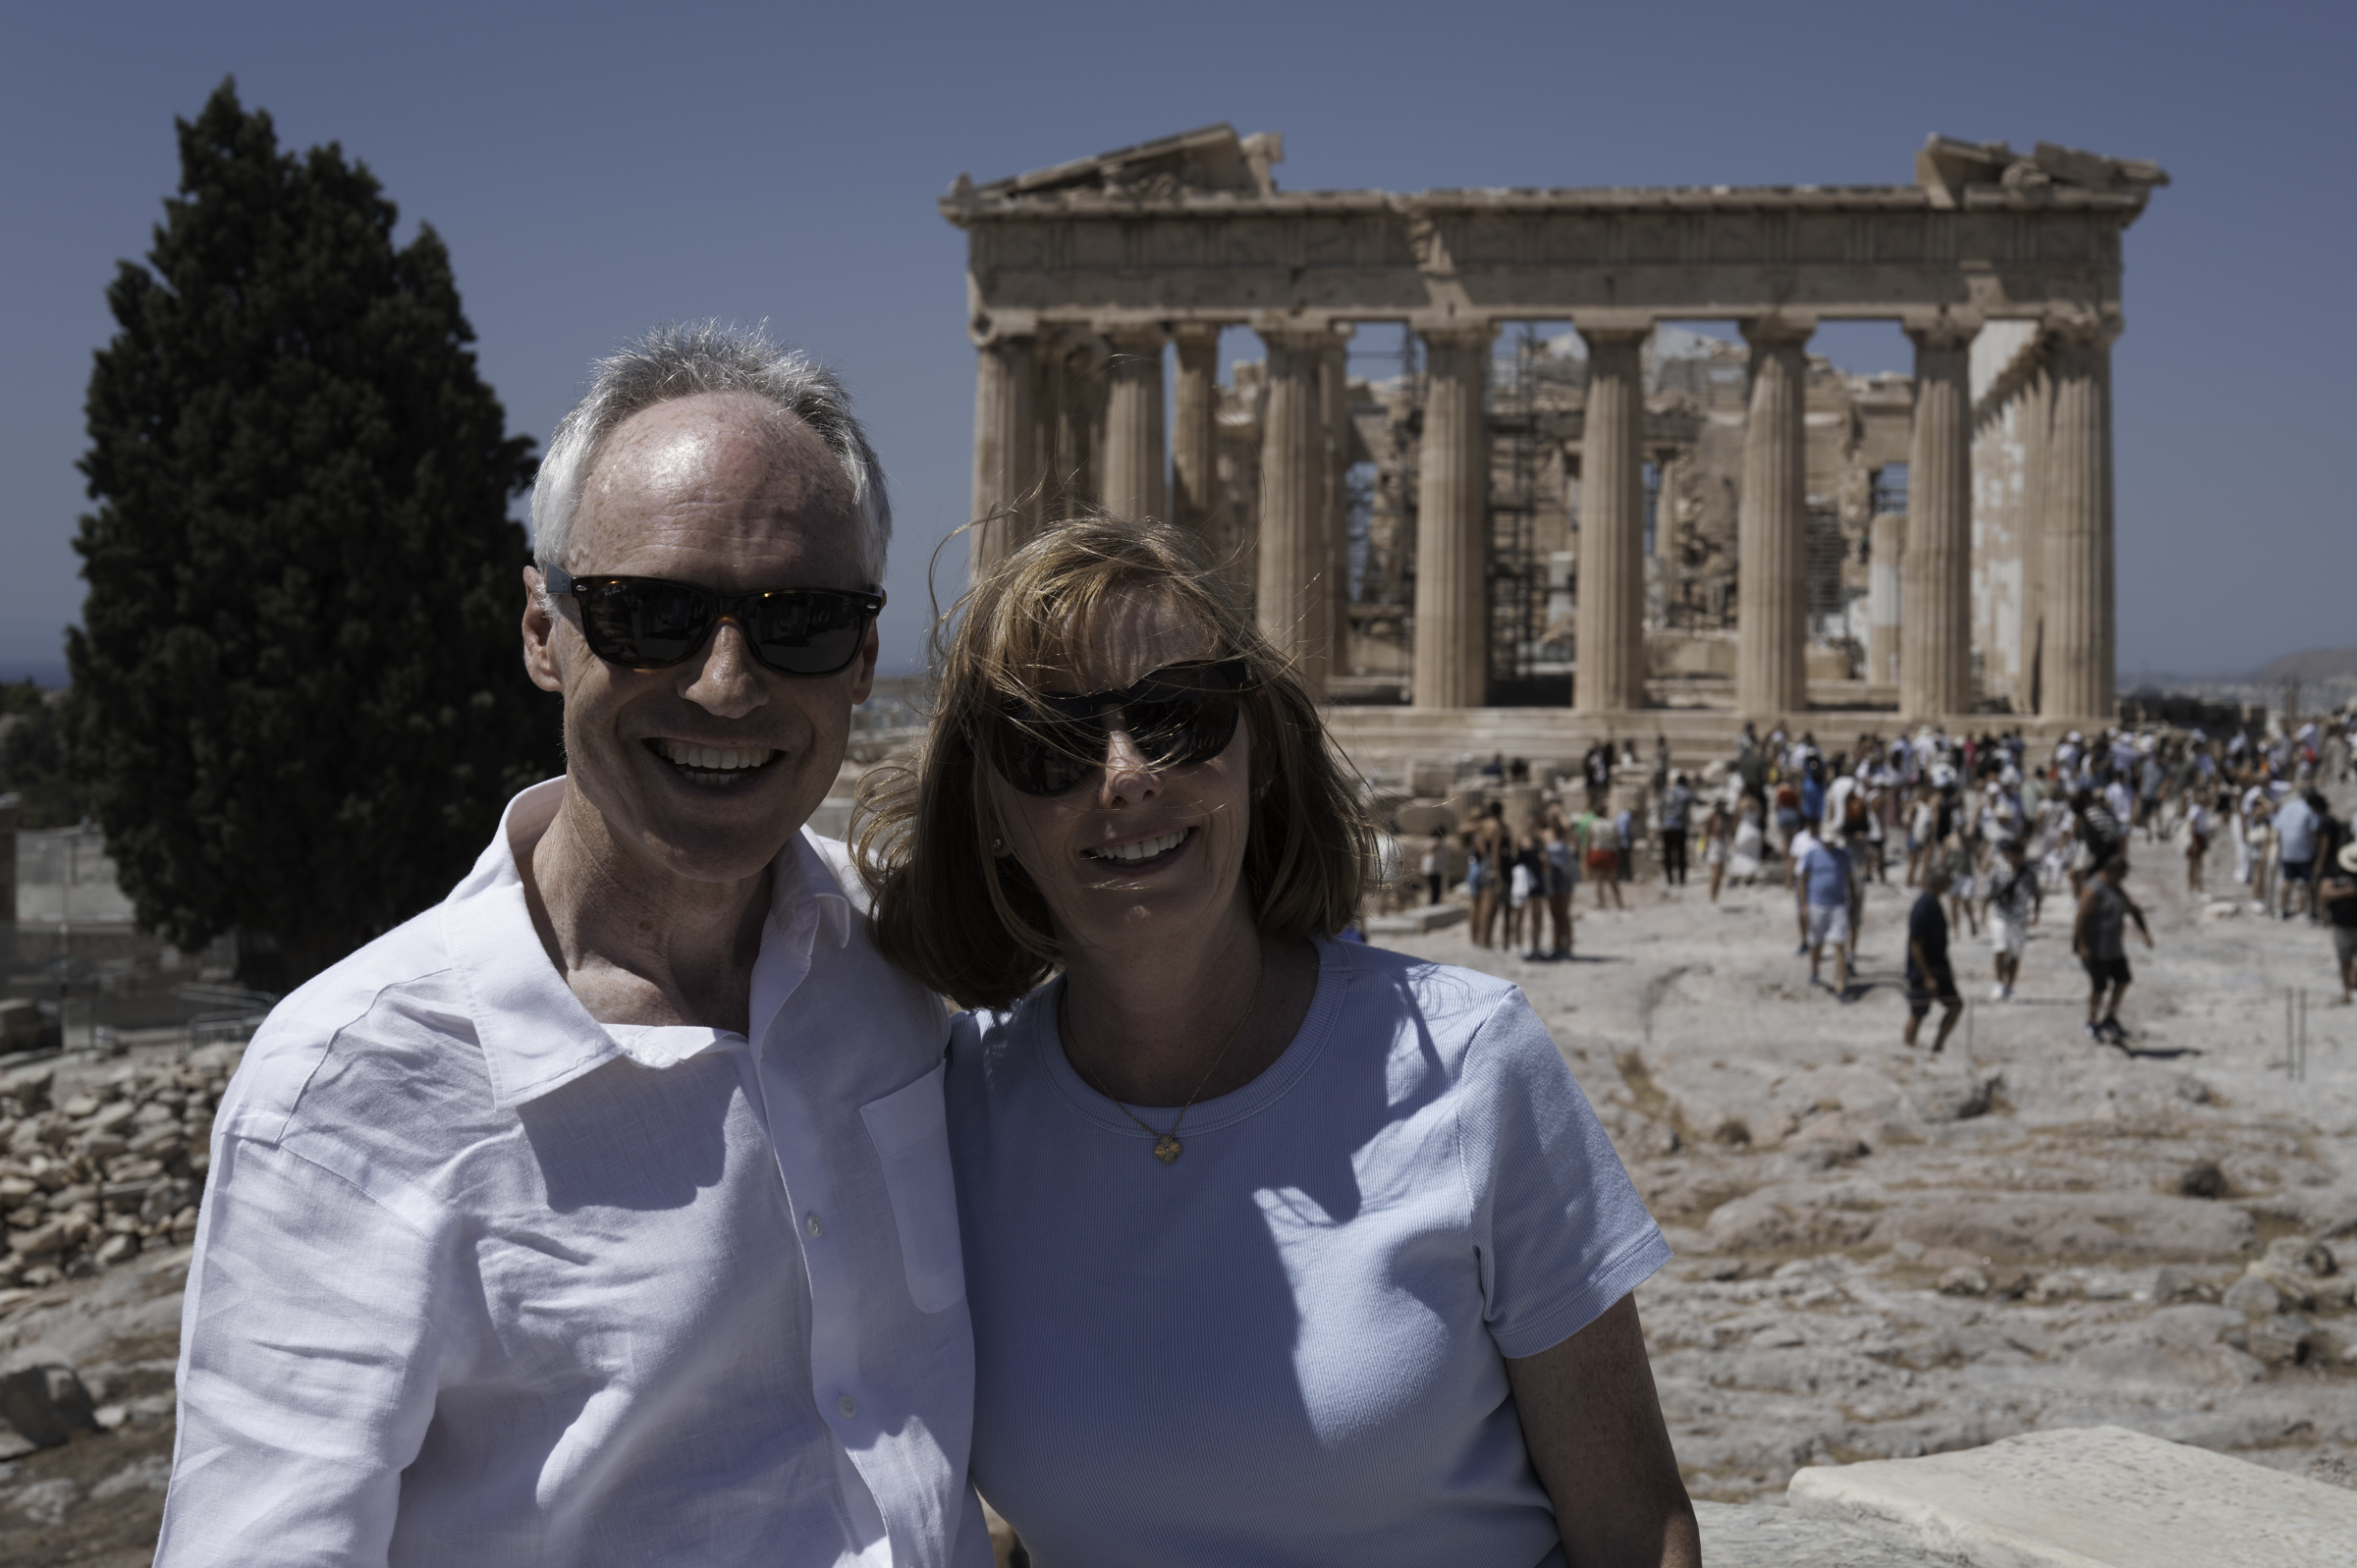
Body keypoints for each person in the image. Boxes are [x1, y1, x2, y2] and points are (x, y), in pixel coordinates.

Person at [156, 326, 990, 1564]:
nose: (724, 684)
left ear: (866, 657)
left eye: (798, 623)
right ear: (543, 628)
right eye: (650, 613)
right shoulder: (352, 1083)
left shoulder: (915, 978)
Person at [857, 517, 1698, 1568]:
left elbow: (1635, 1527)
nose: (1124, 776)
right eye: (1049, 745)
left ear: (1255, 750)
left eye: (1179, 717)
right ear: (987, 809)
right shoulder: (953, 1114)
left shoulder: (1469, 1062)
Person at [2074, 855, 2153, 1047]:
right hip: (2095, 948)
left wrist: (2144, 932)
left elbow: (2133, 909)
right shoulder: (2093, 889)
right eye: (2122, 875)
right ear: (2112, 872)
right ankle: (2091, 1022)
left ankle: (2110, 1017)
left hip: (2113, 948)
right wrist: (2083, 946)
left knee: (2123, 979)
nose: (2123, 879)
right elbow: (2080, 919)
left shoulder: (2116, 887)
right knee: (2099, 987)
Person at [1905, 866, 1964, 1052]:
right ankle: (1908, 1050)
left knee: (1955, 1005)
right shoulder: (1924, 905)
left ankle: (1937, 1046)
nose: (1950, 884)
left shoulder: (1934, 902)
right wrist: (1927, 976)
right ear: (1939, 882)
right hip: (1924, 970)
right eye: (1947, 880)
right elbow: (1915, 944)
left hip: (1939, 966)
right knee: (1918, 1013)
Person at [1800, 832, 1856, 1000]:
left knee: (1839, 945)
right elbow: (1802, 879)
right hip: (1817, 904)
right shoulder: (1812, 854)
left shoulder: (1843, 855)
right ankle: (1815, 970)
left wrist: (1853, 901)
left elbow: (1850, 879)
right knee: (1816, 943)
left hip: (1838, 905)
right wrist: (1804, 905)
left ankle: (1840, 985)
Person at [1985, 838, 2038, 1001]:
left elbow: (2037, 893)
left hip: (2019, 918)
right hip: (2000, 916)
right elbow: (1989, 892)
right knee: (2000, 948)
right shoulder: (1998, 870)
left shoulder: (2028, 873)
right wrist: (1982, 912)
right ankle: (1999, 983)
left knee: (2015, 953)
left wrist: (2036, 914)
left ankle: (2009, 987)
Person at [2320, 839, 2357, 1005]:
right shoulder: (2335, 871)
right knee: (2344, 960)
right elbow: (2325, 893)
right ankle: (2346, 992)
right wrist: (2346, 892)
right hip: (2341, 924)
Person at [1543, 823, 1577, 959]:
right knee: (1554, 914)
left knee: (1564, 913)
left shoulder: (1565, 834)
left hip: (1564, 877)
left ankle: (1567, 946)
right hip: (1550, 877)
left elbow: (1569, 828)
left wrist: (1559, 813)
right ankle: (1556, 945)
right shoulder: (1544, 834)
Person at [1659, 773, 1693, 888]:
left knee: (1667, 854)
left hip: (1666, 826)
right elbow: (1696, 801)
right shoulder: (1686, 792)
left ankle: (1669, 879)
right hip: (1679, 827)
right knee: (1681, 853)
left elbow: (1660, 807)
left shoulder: (1667, 792)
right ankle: (1682, 879)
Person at [1420, 827, 1449, 907]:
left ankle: (1435, 905)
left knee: (1437, 890)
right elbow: (1430, 850)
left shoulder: (1434, 841)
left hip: (1437, 869)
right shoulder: (1435, 841)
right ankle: (1433, 906)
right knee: (1435, 890)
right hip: (1433, 869)